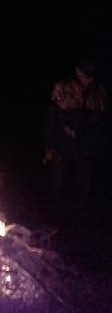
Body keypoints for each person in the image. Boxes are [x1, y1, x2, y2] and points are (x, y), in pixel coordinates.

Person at [43, 56, 108, 219]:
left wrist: (96, 140)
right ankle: (52, 215)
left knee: (83, 183)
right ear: (78, 71)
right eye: (85, 74)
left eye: (91, 75)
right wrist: (49, 146)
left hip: (86, 146)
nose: (88, 78)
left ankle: (78, 216)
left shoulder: (99, 91)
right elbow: (52, 118)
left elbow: (102, 120)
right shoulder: (63, 88)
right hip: (63, 144)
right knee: (58, 181)